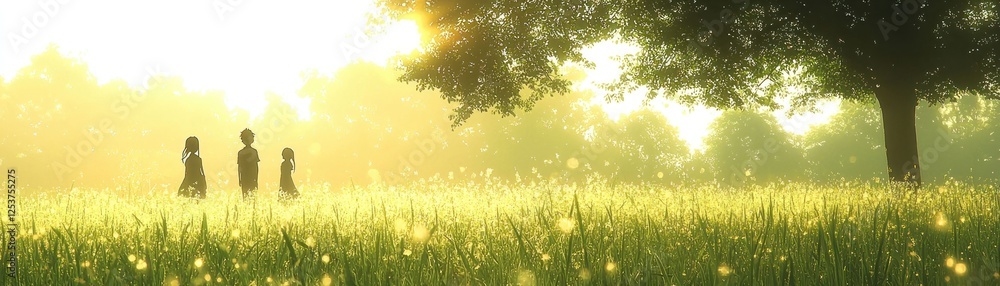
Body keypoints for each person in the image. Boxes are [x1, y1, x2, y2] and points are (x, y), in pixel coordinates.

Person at [237, 128, 259, 199]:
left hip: (244, 177)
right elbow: (256, 167)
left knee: (245, 196)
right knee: (253, 197)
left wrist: (239, 179)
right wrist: (256, 178)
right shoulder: (254, 152)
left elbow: (239, 167)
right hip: (252, 177)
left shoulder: (240, 153)